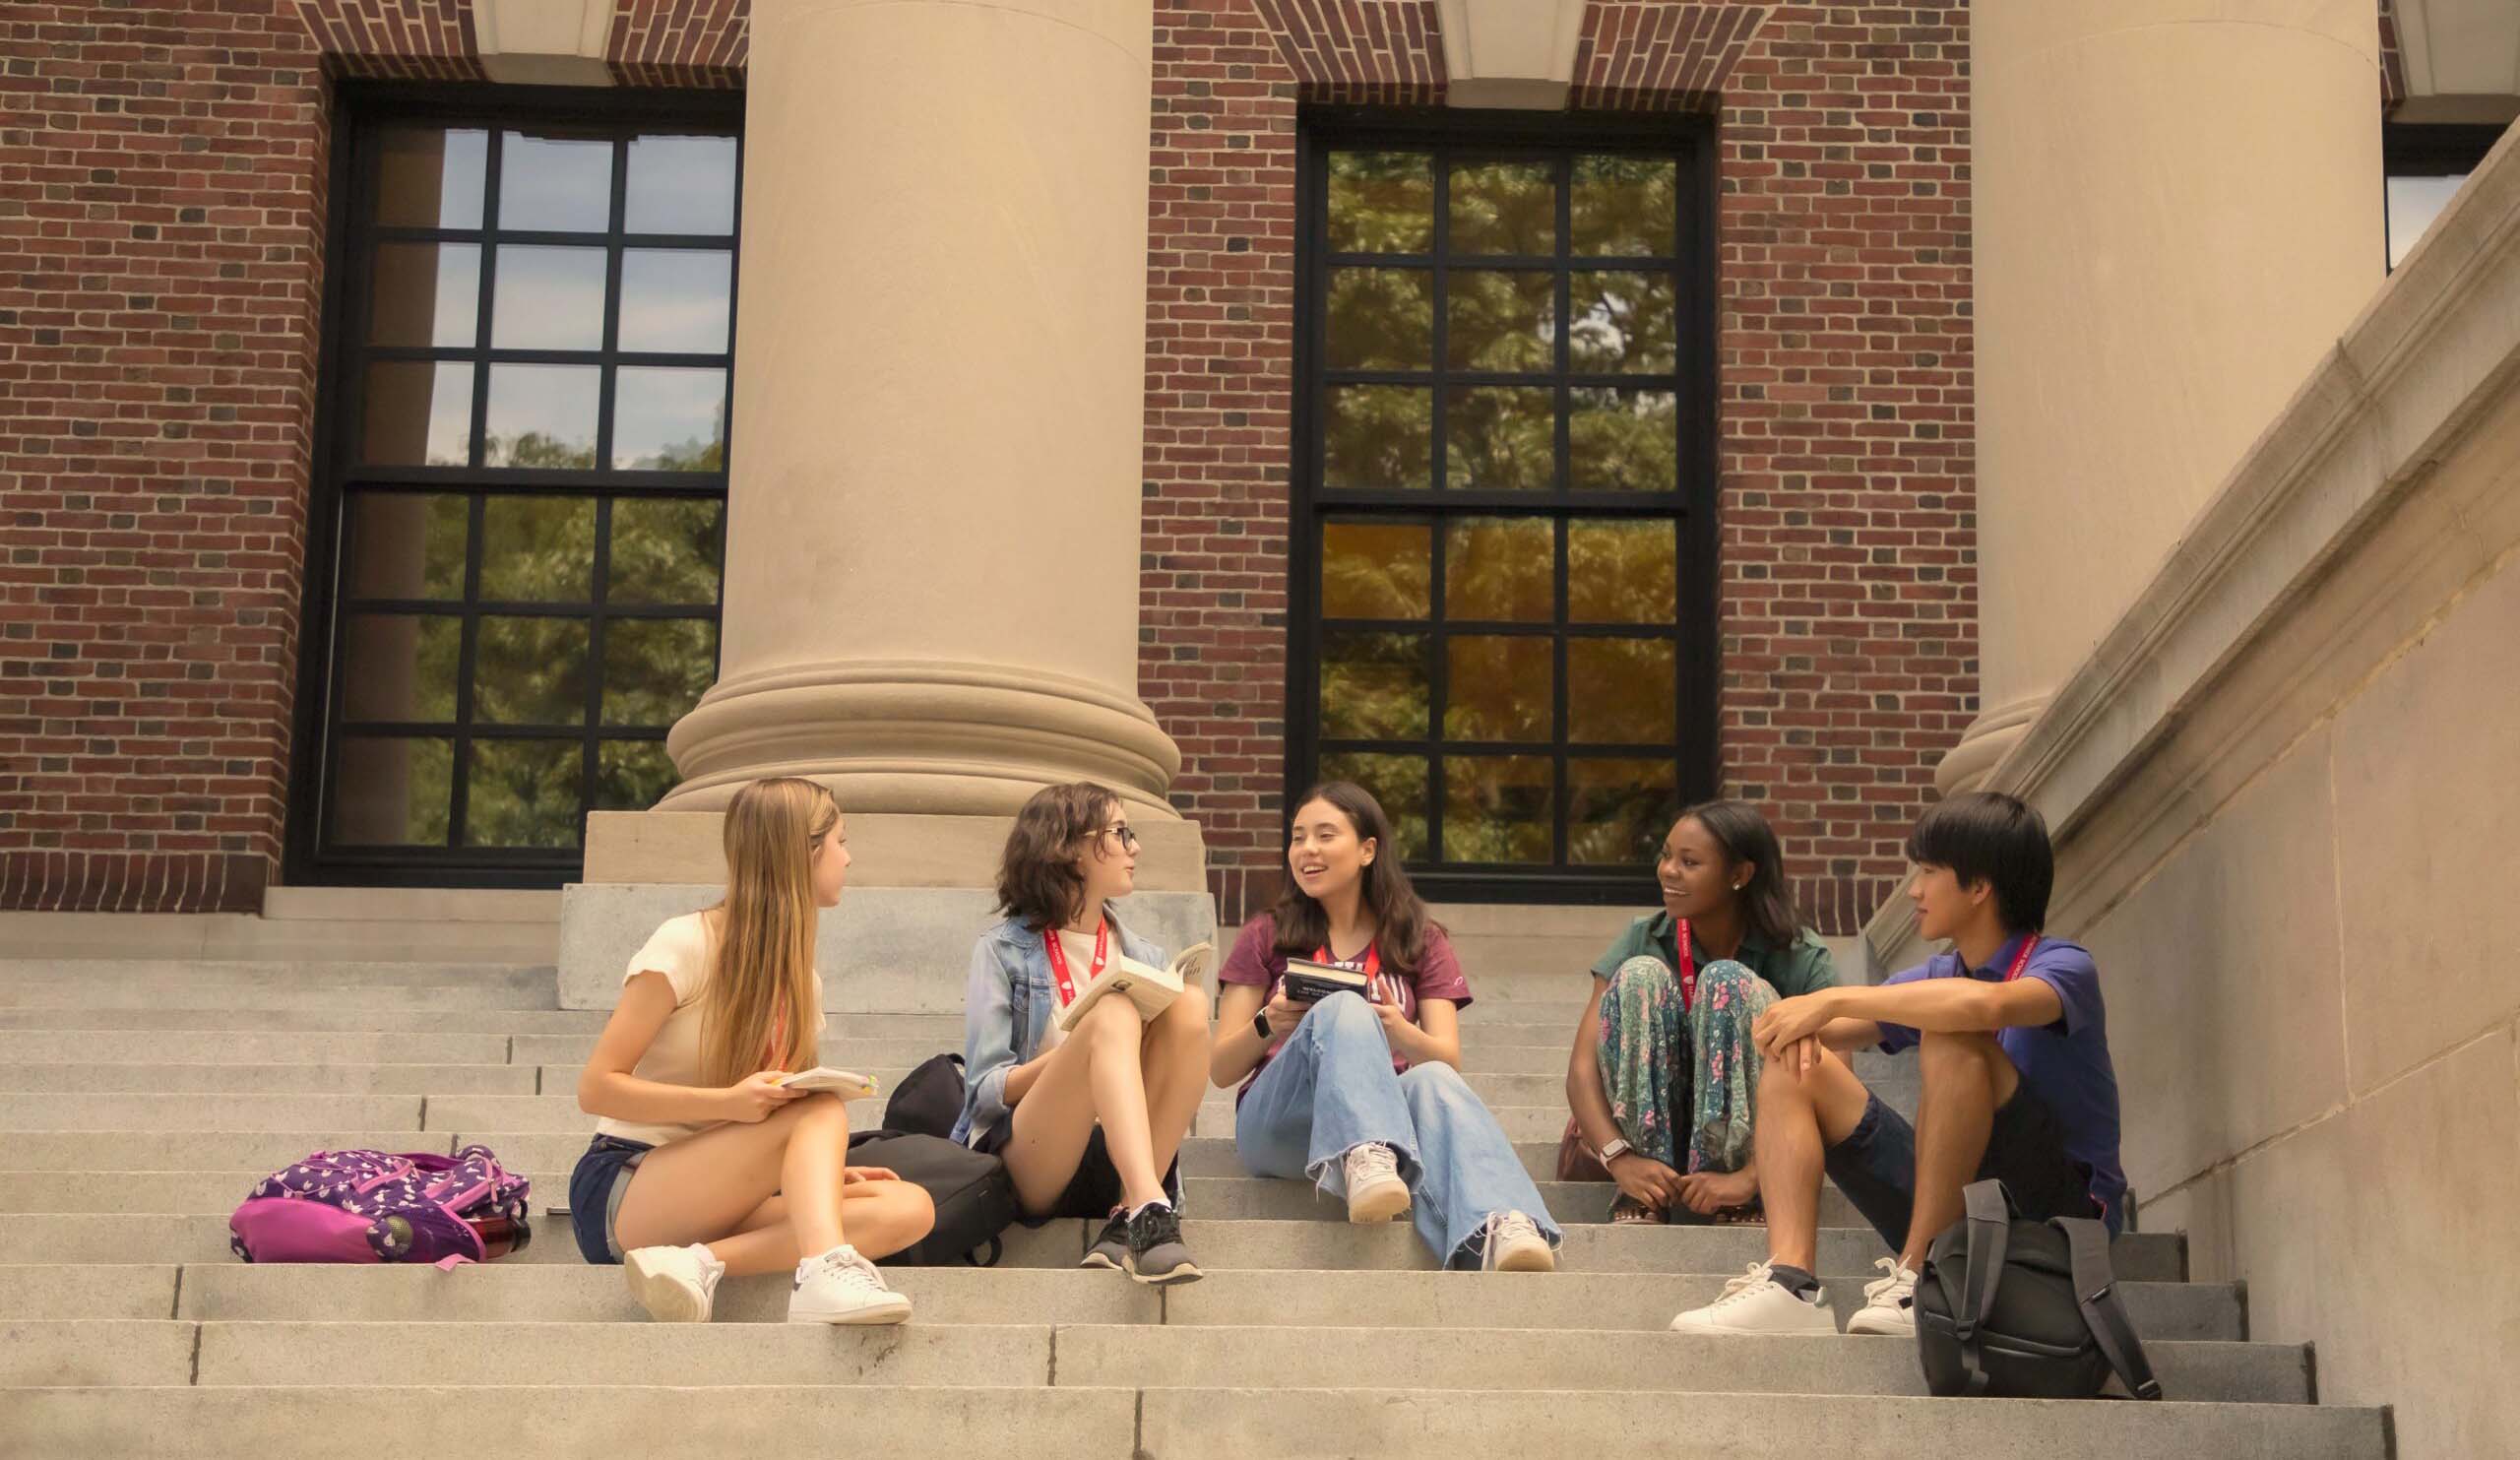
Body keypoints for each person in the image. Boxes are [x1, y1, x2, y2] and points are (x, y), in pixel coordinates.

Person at [1667, 791, 2126, 1336]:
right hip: (1961, 1202)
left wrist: (1835, 999)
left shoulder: (2065, 965)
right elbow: (1830, 1029)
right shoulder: (1941, 972)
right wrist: (1789, 1025)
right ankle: (1791, 1286)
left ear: (1979, 887)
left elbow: (1986, 1005)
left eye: (1930, 871)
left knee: (1954, 1039)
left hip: (2054, 1222)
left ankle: (1918, 1277)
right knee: (1799, 1059)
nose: (1915, 889)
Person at [571, 777, 935, 1325]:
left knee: (910, 1207)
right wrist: (726, 1103)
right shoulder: (685, 942)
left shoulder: (800, 982)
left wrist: (820, 1177)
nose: (849, 858)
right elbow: (597, 1087)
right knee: (818, 1106)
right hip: (626, 1184)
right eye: (840, 841)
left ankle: (695, 1263)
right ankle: (821, 1274)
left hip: (714, 1199)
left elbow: (773, 1118)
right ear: (804, 853)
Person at [1211, 781, 1560, 1272]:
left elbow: (1448, 1059)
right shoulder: (1265, 934)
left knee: (1434, 1079)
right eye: (1297, 837)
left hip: (1389, 1119)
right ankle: (1363, 1152)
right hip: (1279, 1125)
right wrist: (1269, 1022)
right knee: (1340, 1008)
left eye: (1325, 835)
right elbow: (1221, 1069)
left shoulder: (1419, 939)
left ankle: (1501, 1222)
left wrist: (1398, 1030)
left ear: (1367, 850)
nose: (1307, 849)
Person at [951, 782, 1208, 1286]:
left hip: (1121, 1157)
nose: (1135, 848)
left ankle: (1133, 1209)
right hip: (1038, 1154)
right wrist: (1084, 1049)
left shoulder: (1144, 957)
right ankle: (1151, 1210)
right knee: (1110, 1013)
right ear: (1069, 848)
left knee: (1192, 1003)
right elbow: (983, 1093)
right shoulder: (1003, 951)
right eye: (1120, 833)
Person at [1565, 800, 1841, 1224]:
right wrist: (1620, 1160)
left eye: (1689, 862)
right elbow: (1582, 1070)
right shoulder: (1644, 937)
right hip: (1650, 1140)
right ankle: (1645, 1193)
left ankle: (1739, 1191)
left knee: (1727, 980)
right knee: (1638, 974)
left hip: (1757, 1150)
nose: (1668, 871)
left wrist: (1753, 1176)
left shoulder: (1798, 952)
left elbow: (1836, 1083)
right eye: (1666, 855)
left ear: (1739, 875)